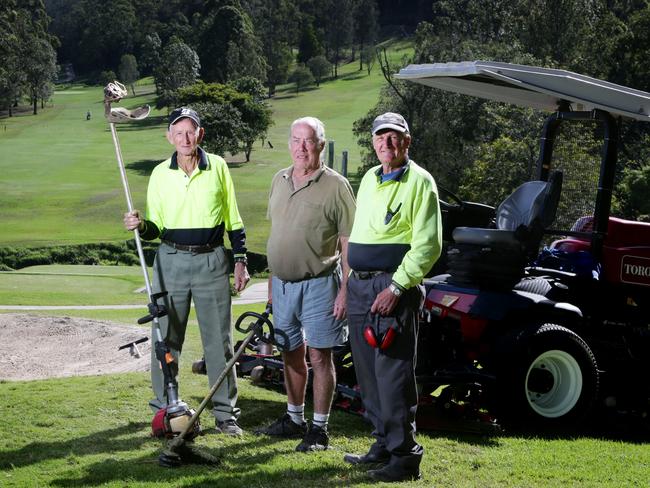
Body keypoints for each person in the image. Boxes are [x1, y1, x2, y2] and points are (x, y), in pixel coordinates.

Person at [123, 107, 250, 436]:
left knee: (218, 343)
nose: (185, 138)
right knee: (165, 338)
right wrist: (140, 225)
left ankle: (225, 415)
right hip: (171, 261)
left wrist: (240, 259)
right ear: (169, 137)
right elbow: (156, 228)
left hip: (212, 261)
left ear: (200, 134)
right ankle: (165, 410)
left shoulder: (218, 167)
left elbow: (233, 220)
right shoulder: (159, 174)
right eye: (178, 133)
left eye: (190, 131)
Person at [344, 112, 442, 482]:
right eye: (380, 137)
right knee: (367, 373)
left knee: (393, 376)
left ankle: (404, 457)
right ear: (373, 143)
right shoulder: (370, 178)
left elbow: (428, 245)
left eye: (394, 137)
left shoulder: (420, 183)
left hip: (391, 288)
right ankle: (382, 443)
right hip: (361, 285)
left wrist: (397, 287)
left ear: (407, 141)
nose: (386, 143)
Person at [257, 116, 356, 452]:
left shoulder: (337, 185)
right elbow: (278, 235)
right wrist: (271, 283)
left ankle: (319, 429)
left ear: (321, 145)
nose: (301, 147)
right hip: (283, 285)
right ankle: (294, 418)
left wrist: (345, 289)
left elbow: (347, 243)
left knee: (320, 355)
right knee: (290, 351)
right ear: (289, 143)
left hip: (320, 283)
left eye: (308, 140)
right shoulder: (279, 179)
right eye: (295, 139)